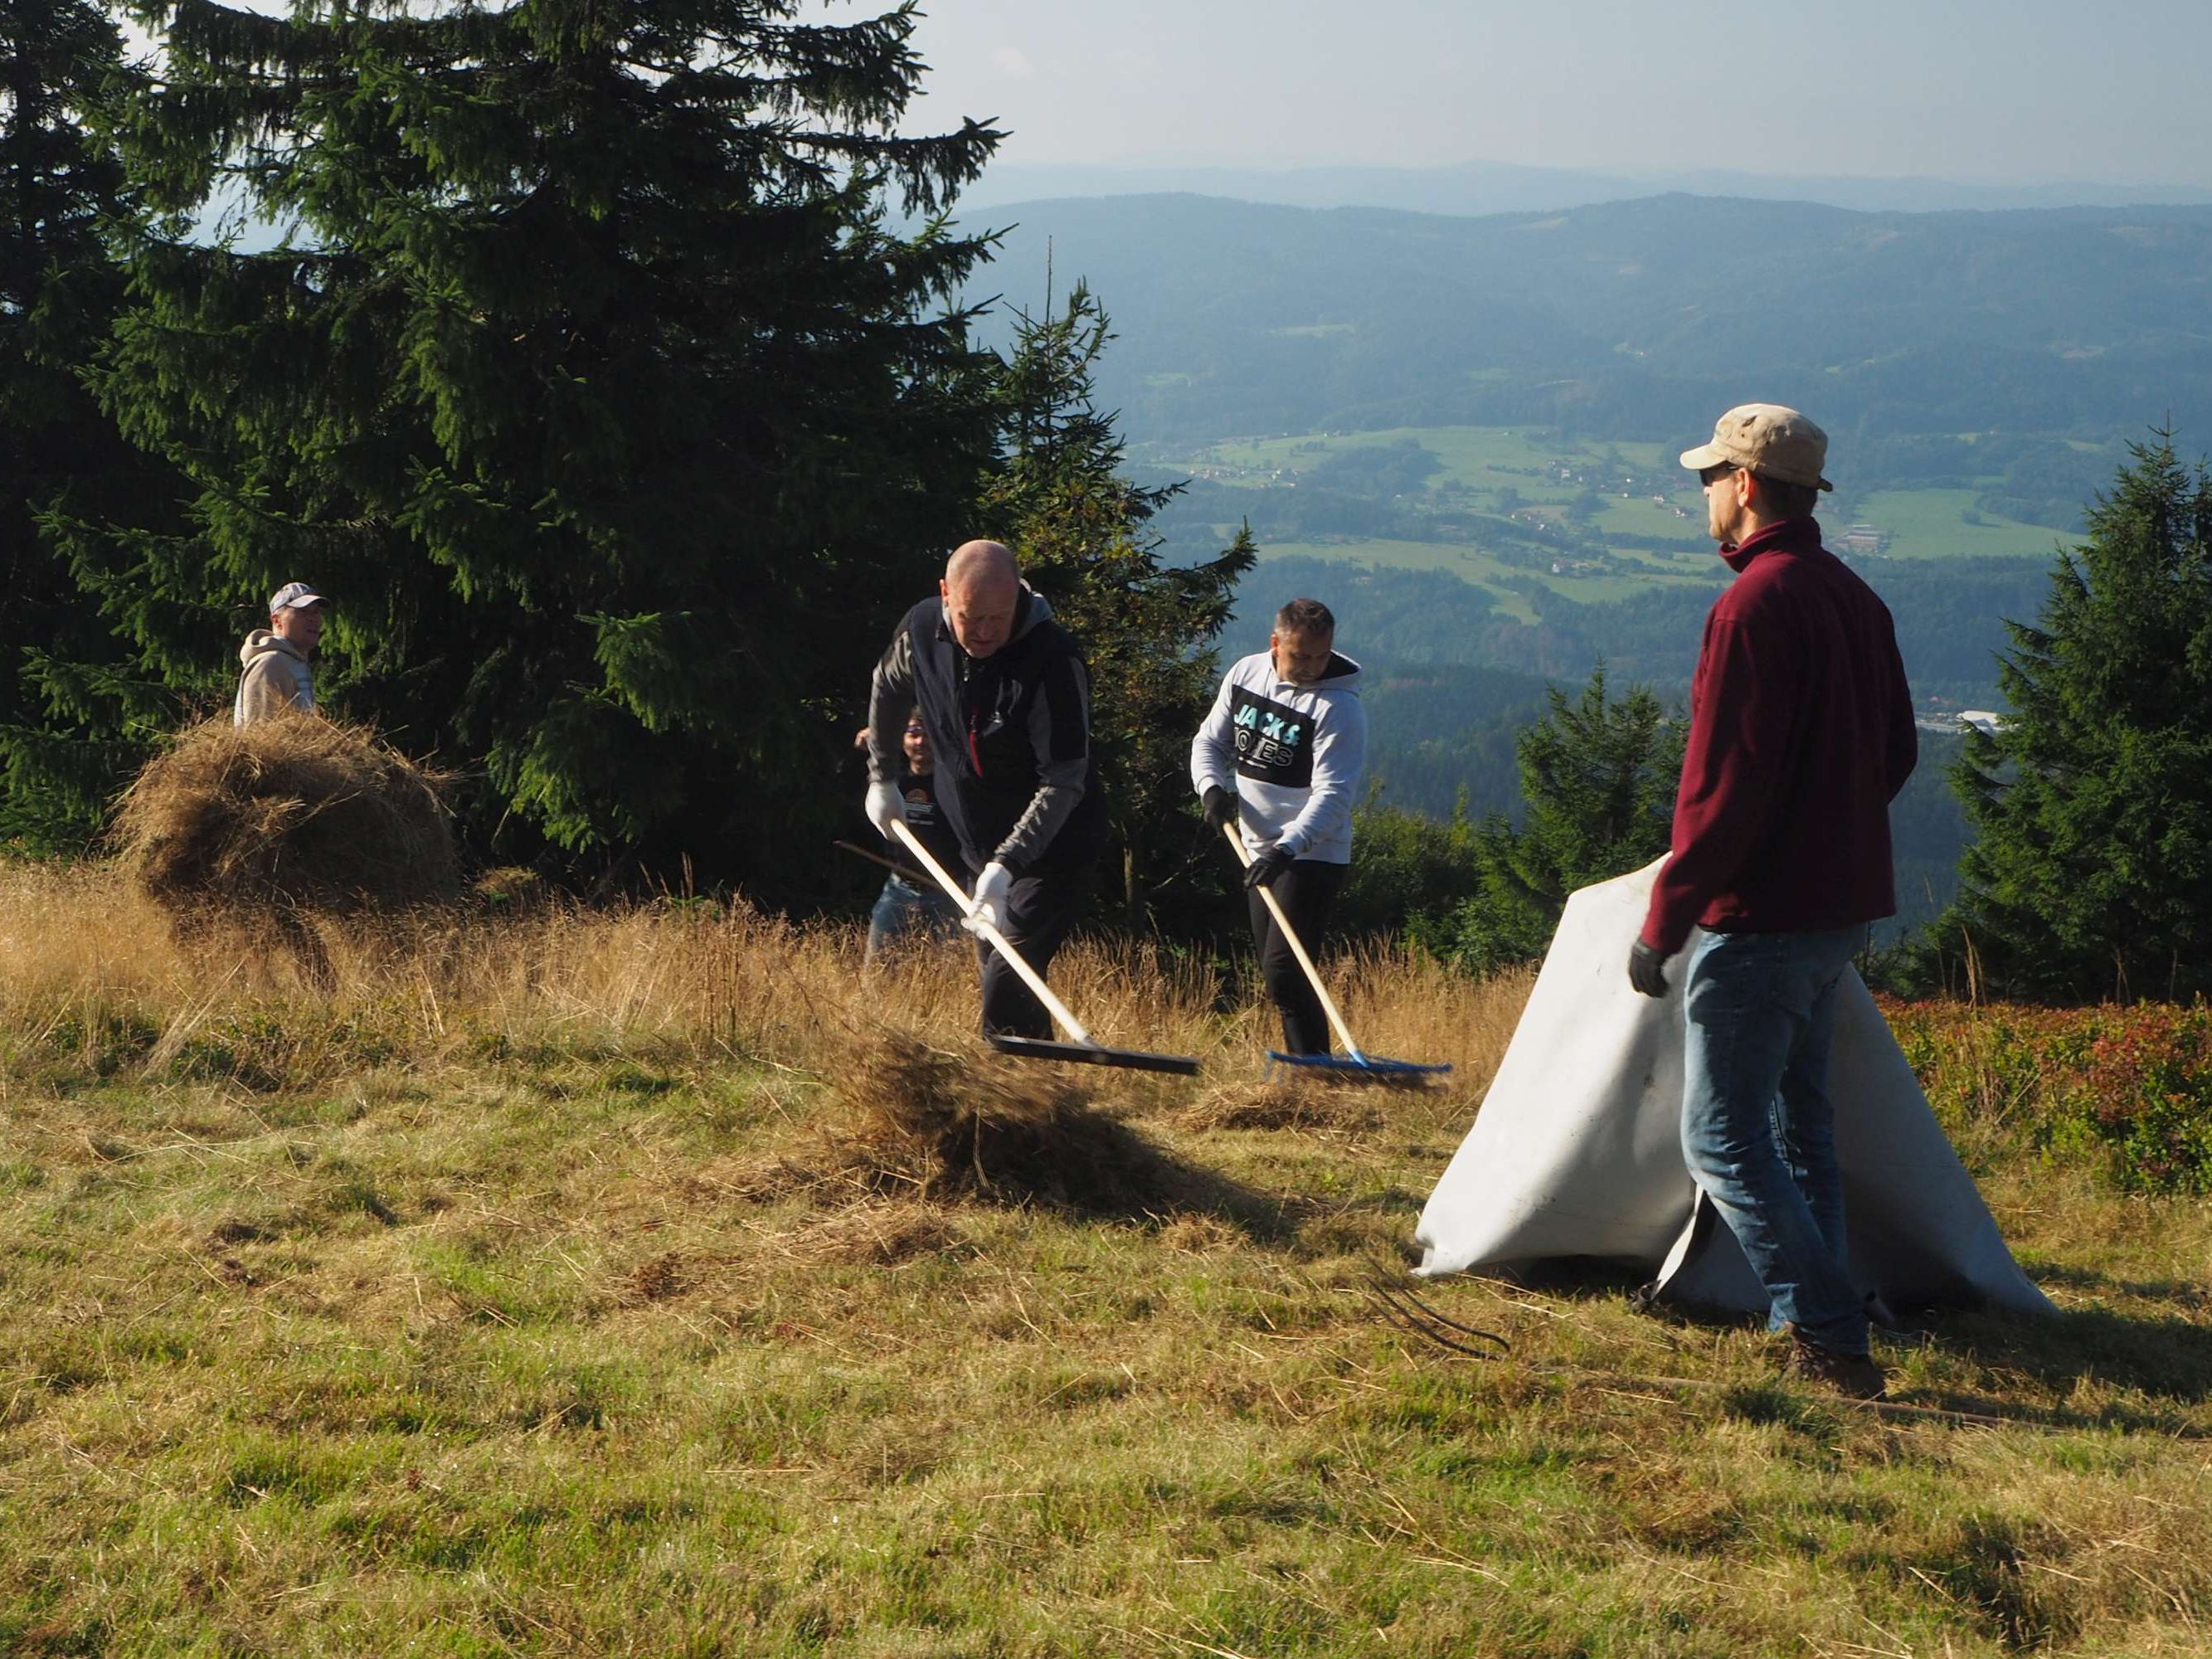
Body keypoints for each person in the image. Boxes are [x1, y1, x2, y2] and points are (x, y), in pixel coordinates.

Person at [1628, 403, 1917, 1399]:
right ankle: (1830, 1306)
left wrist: (1664, 920)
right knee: (1802, 1123)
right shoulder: (1852, 596)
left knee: (1720, 1132)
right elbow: (1897, 751)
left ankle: (1830, 1330)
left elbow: (1719, 789)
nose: (1703, 492)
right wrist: (1830, 831)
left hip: (1759, 918)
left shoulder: (1752, 607)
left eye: (1711, 475)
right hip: (1840, 911)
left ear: (1746, 486)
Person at [864, 540, 1106, 1038]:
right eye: (971, 617)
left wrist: (1008, 863)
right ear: (945, 594)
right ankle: (1044, 1092)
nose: (985, 632)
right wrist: (882, 775)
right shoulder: (921, 631)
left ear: (1018, 596)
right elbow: (887, 687)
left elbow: (1063, 779)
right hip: (977, 845)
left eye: (998, 617)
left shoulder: (1053, 662)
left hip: (1054, 846)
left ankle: (1007, 1097)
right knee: (1002, 972)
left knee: (1009, 965)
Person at [1190, 597, 1366, 1056]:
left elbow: (1333, 795)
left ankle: (1312, 1072)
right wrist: (1211, 788)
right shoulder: (1246, 673)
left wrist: (1285, 849)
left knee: (1286, 970)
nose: (1310, 667)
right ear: (1275, 643)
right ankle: (1312, 1071)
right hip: (1255, 847)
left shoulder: (1339, 708)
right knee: (1278, 974)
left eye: (1319, 656)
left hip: (1310, 851)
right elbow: (1210, 740)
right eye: (1299, 656)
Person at [863, 708, 964, 962]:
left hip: (947, 891)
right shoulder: (892, 784)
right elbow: (851, 795)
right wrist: (861, 752)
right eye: (914, 734)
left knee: (952, 971)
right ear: (903, 739)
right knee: (877, 966)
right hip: (899, 887)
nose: (920, 742)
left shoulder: (955, 785)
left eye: (928, 735)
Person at [234, 581, 330, 726]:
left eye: (316, 612)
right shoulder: (271, 662)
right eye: (303, 612)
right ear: (277, 620)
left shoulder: (292, 662)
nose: (313, 619)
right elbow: (262, 736)